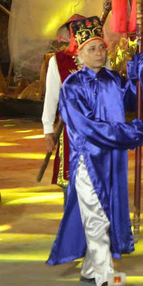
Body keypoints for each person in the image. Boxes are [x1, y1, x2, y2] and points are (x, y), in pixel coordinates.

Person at [46, 20, 143, 286]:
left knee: (105, 213)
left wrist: (139, 74)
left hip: (113, 161)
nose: (99, 53)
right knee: (96, 216)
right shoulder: (72, 86)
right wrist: (127, 134)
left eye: (101, 47)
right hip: (88, 159)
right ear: (79, 54)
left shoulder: (114, 80)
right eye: (92, 49)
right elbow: (85, 127)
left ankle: (90, 268)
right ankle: (106, 275)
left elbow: (138, 98)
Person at [42, 14, 87, 188]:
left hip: (97, 129)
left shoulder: (100, 58)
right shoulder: (58, 61)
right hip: (71, 130)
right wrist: (48, 129)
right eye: (74, 30)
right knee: (71, 182)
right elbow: (52, 96)